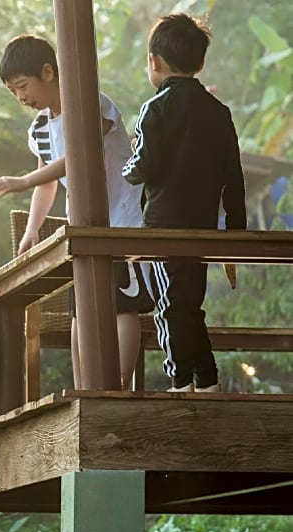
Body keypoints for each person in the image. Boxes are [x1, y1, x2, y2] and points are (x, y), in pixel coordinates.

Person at [0, 34, 153, 389]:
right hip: (82, 225)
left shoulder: (92, 105)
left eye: (22, 86)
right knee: (82, 309)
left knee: (122, 303)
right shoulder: (40, 129)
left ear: (48, 72)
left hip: (122, 218)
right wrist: (32, 229)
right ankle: (85, 388)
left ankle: (118, 385)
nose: (21, 98)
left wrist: (22, 180)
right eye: (13, 92)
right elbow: (48, 182)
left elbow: (80, 155)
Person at [122, 13, 247, 393]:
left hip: (163, 227)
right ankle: (206, 379)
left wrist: (126, 168)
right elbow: (234, 175)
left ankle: (180, 381)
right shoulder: (218, 112)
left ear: (154, 61)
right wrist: (236, 230)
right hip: (203, 227)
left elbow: (143, 164)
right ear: (200, 63)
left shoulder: (155, 109)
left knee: (169, 304)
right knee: (188, 302)